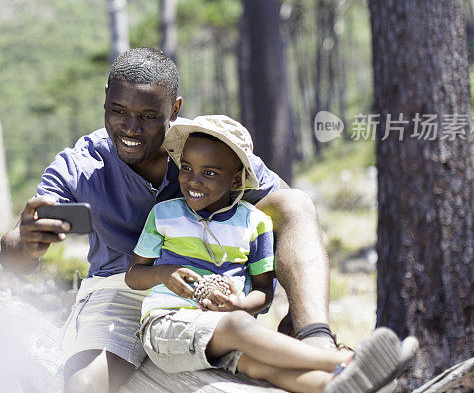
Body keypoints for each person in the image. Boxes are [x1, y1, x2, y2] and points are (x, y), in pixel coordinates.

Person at [0, 47, 333, 392]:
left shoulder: (207, 149)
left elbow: (290, 214)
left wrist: (295, 310)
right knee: (84, 386)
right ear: (105, 99)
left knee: (295, 202)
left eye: (148, 116)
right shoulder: (80, 165)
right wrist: (25, 242)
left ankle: (319, 344)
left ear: (174, 109)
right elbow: (12, 259)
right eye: (118, 111)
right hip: (118, 293)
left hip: (200, 291)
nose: (130, 128)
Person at [125, 115, 417, 392]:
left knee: (264, 367)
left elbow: (264, 290)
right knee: (238, 326)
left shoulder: (255, 223)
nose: (192, 181)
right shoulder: (164, 215)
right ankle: (345, 362)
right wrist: (165, 274)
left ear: (237, 181)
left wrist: (239, 304)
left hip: (224, 331)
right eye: (186, 168)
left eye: (209, 173)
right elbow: (134, 274)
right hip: (167, 324)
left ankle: (336, 385)